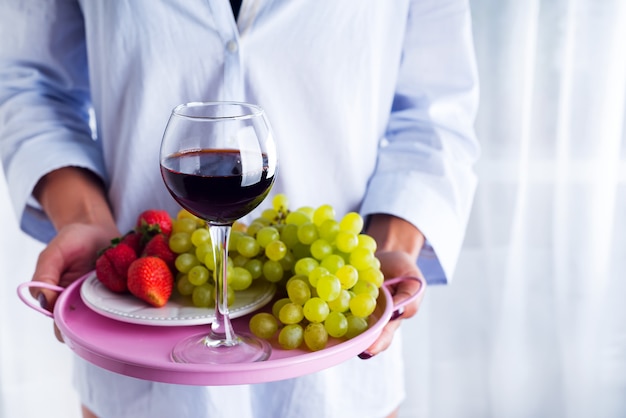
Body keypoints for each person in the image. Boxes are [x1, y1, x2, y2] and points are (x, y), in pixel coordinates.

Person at [0, 1, 479, 417]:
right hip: (139, 364)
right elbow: (30, 87)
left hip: (334, 366)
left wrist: (380, 255)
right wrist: (85, 219)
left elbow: (436, 113)